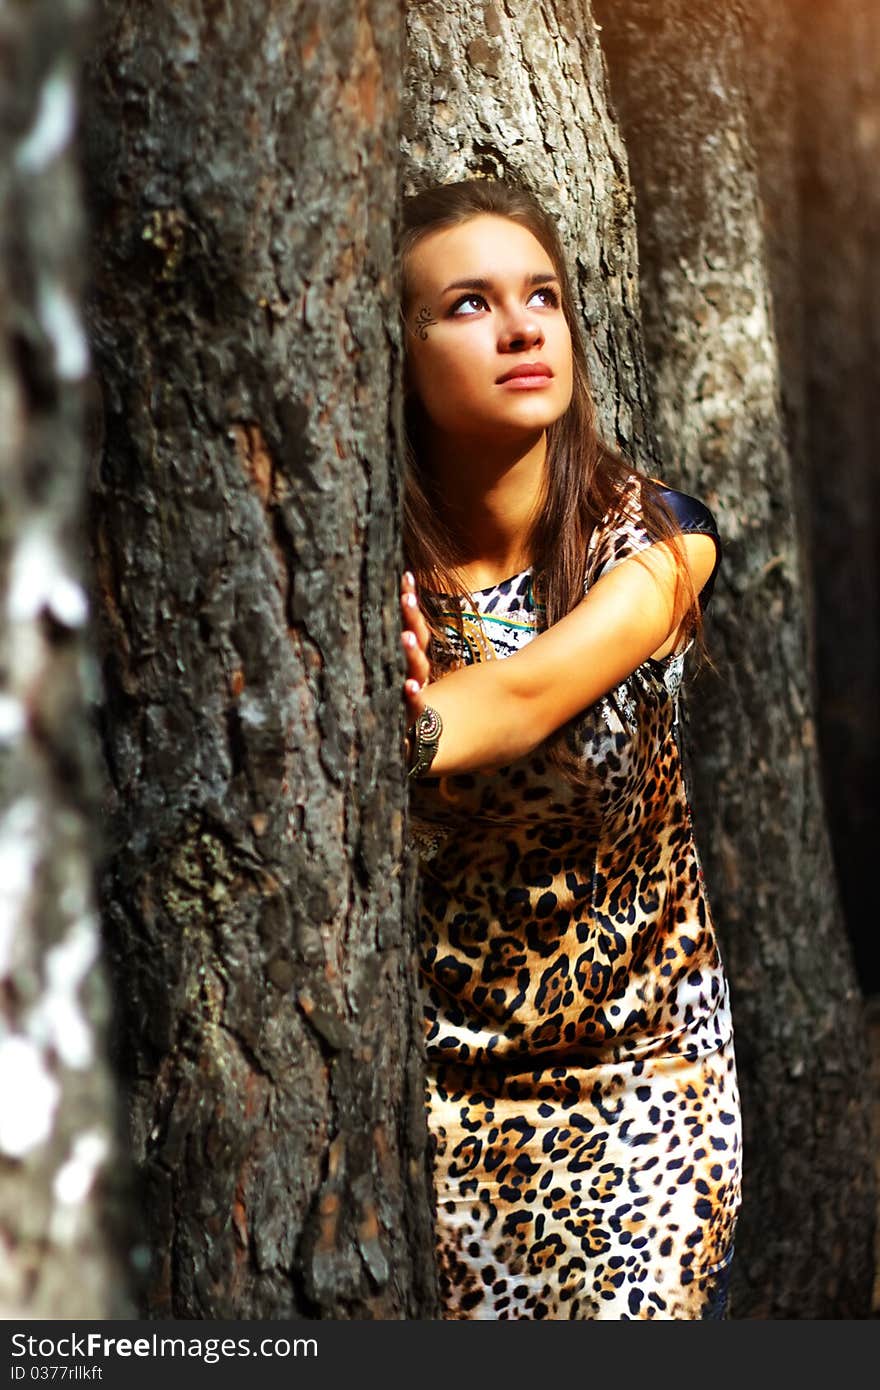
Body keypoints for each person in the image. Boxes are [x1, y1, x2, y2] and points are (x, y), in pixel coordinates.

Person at [397, 179, 741, 1320]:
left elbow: (531, 693)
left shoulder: (654, 543)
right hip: (432, 1103)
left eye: (540, 295)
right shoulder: (361, 575)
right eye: (467, 304)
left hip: (639, 1089)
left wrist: (401, 725)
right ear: (391, 348)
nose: (520, 327)